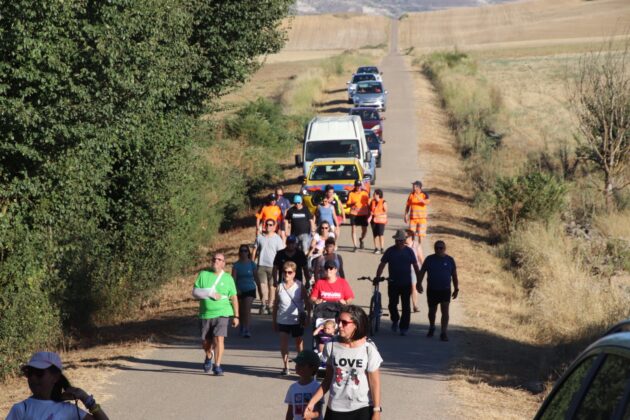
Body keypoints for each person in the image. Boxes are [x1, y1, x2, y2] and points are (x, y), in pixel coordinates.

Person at [304, 305, 382, 420]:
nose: (339, 325)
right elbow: (327, 380)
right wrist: (312, 402)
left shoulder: (368, 348)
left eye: (344, 323)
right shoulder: (331, 345)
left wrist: (376, 411)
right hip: (335, 408)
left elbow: (374, 383)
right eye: (338, 321)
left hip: (362, 408)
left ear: (356, 325)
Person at [7, 351, 110, 420]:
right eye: (29, 373)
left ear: (55, 377)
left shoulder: (68, 410)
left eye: (39, 373)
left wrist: (87, 399)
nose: (32, 378)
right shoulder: (21, 409)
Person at [192, 253, 239, 376]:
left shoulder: (228, 278)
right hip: (205, 314)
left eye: (219, 260)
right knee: (206, 342)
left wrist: (236, 315)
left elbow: (234, 297)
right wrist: (210, 294)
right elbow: (195, 292)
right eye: (214, 259)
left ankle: (217, 365)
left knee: (219, 339)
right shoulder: (203, 274)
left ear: (223, 263)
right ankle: (209, 355)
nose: (216, 261)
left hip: (222, 312)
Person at [375, 229, 422, 336]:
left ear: (404, 240)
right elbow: (382, 264)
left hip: (406, 283)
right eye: (397, 240)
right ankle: (395, 320)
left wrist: (418, 281)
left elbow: (415, 266)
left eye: (401, 240)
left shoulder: (409, 252)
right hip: (393, 283)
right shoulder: (390, 251)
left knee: (406, 306)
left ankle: (404, 327)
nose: (399, 242)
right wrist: (377, 276)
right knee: (392, 304)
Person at [417, 240, 459, 341]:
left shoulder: (450, 260)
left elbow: (454, 275)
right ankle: (432, 326)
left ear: (445, 249)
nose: (439, 250)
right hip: (432, 289)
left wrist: (456, 288)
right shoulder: (429, 259)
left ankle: (443, 332)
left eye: (441, 248)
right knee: (432, 311)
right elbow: (422, 271)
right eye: (437, 248)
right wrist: (419, 283)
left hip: (445, 290)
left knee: (445, 310)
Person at [273, 261, 310, 375]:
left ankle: (300, 364)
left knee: (299, 342)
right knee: (284, 343)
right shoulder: (279, 287)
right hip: (283, 319)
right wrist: (274, 321)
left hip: (296, 319)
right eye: (284, 272)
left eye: (289, 272)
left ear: (294, 273)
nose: (287, 274)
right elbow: (275, 305)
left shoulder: (299, 286)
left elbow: (307, 303)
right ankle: (286, 367)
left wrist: (308, 317)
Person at [253, 218, 285, 315]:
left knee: (272, 287)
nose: (268, 226)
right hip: (261, 265)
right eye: (267, 224)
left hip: (273, 266)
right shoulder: (259, 237)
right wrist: (251, 261)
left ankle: (270, 305)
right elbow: (255, 250)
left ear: (274, 227)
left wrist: (281, 265)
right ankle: (263, 304)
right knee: (262, 286)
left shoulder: (277, 238)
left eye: (271, 225)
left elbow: (281, 253)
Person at [284, 350, 323, 420]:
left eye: (301, 364)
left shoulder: (317, 388)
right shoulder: (292, 388)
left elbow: (319, 412)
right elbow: (290, 412)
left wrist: (311, 415)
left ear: (313, 368)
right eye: (297, 363)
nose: (297, 366)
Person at [232, 244, 261, 338]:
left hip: (250, 289)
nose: (243, 252)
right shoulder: (236, 265)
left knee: (247, 309)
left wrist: (260, 291)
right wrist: (236, 290)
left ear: (248, 252)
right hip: (239, 290)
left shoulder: (252, 264)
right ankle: (241, 326)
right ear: (239, 253)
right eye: (242, 251)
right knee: (241, 310)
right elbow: (233, 280)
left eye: (245, 251)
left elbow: (256, 278)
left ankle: (247, 329)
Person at [346, 180, 369, 252]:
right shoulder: (351, 193)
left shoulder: (365, 193)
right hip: (354, 213)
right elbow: (347, 204)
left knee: (364, 230)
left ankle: (361, 239)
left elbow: (368, 204)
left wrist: (369, 213)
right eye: (357, 186)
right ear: (355, 186)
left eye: (359, 186)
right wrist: (352, 204)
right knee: (353, 229)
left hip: (363, 213)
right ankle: (355, 246)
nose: (358, 187)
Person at [405, 229, 424, 313]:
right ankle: (405, 305)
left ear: (410, 237)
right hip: (404, 270)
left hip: (414, 270)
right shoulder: (402, 245)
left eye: (406, 237)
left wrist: (423, 270)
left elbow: (421, 258)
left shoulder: (416, 245)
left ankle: (415, 306)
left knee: (413, 287)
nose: (404, 238)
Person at [367, 189, 387, 254]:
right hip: (373, 220)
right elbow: (370, 209)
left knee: (381, 234)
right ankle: (376, 248)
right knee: (375, 234)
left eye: (374, 194)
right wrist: (370, 215)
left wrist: (378, 214)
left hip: (381, 220)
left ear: (378, 195)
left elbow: (386, 211)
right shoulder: (372, 201)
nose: (373, 195)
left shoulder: (383, 202)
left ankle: (382, 248)